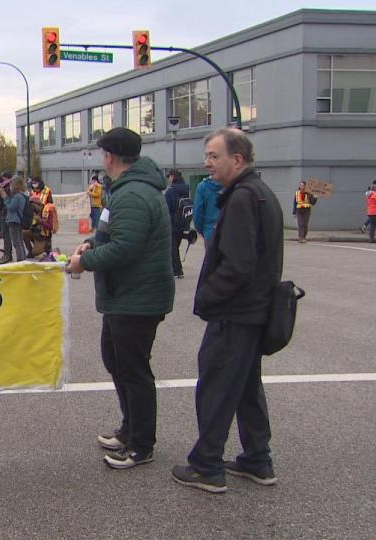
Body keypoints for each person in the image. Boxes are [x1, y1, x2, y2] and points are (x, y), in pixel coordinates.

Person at [170, 128, 284, 494]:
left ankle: (207, 465)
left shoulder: (240, 199)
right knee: (247, 386)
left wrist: (207, 298)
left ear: (237, 159)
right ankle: (257, 459)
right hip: (254, 312)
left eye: (214, 156)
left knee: (216, 386)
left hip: (234, 314)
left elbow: (237, 265)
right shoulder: (261, 194)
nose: (207, 163)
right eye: (207, 155)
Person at [65, 127, 174, 470]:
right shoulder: (126, 191)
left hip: (137, 298)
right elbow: (117, 236)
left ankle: (142, 445)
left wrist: (85, 261)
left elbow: (126, 248)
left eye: (102, 153)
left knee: (133, 370)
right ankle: (130, 429)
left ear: (109, 156)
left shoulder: (132, 194)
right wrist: (93, 245)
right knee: (116, 361)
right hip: (124, 296)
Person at [165, 169, 190, 278]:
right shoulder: (186, 188)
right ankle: (177, 269)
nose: (169, 179)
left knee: (172, 248)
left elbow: (167, 208)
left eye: (169, 176)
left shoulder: (170, 191)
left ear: (173, 176)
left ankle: (177, 271)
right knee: (176, 246)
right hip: (184, 220)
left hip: (172, 222)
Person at [3, 176, 28, 262]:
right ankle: (23, 258)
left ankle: (20, 260)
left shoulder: (17, 196)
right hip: (18, 220)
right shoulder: (21, 195)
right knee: (20, 241)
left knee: (16, 242)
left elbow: (11, 207)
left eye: (12, 184)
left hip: (14, 220)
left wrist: (5, 198)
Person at [193, 175, 221, 246]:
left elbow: (197, 215)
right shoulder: (231, 184)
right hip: (229, 233)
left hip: (210, 232)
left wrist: (204, 231)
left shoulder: (202, 187)